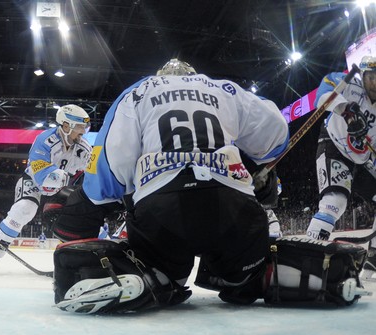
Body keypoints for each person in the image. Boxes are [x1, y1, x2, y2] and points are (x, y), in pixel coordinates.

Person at [50, 58, 362, 314]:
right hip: (234, 208)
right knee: (245, 274)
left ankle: (149, 278)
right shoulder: (222, 88)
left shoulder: (137, 92)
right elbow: (275, 132)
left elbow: (113, 166)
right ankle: (297, 275)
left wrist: (95, 205)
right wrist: (259, 168)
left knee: (162, 270)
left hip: (162, 211)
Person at [0, 104, 92, 270]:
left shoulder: (84, 148)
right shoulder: (44, 140)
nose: (83, 132)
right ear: (66, 125)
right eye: (79, 127)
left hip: (62, 187)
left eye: (85, 127)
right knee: (24, 208)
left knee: (77, 216)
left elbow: (90, 175)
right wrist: (62, 179)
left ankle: (76, 259)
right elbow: (42, 177)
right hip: (34, 181)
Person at [305, 56, 376, 282]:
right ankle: (308, 256)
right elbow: (322, 95)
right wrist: (346, 110)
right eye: (371, 77)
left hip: (364, 159)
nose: (375, 83)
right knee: (335, 201)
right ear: (363, 76)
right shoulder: (350, 84)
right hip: (334, 145)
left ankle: (373, 260)